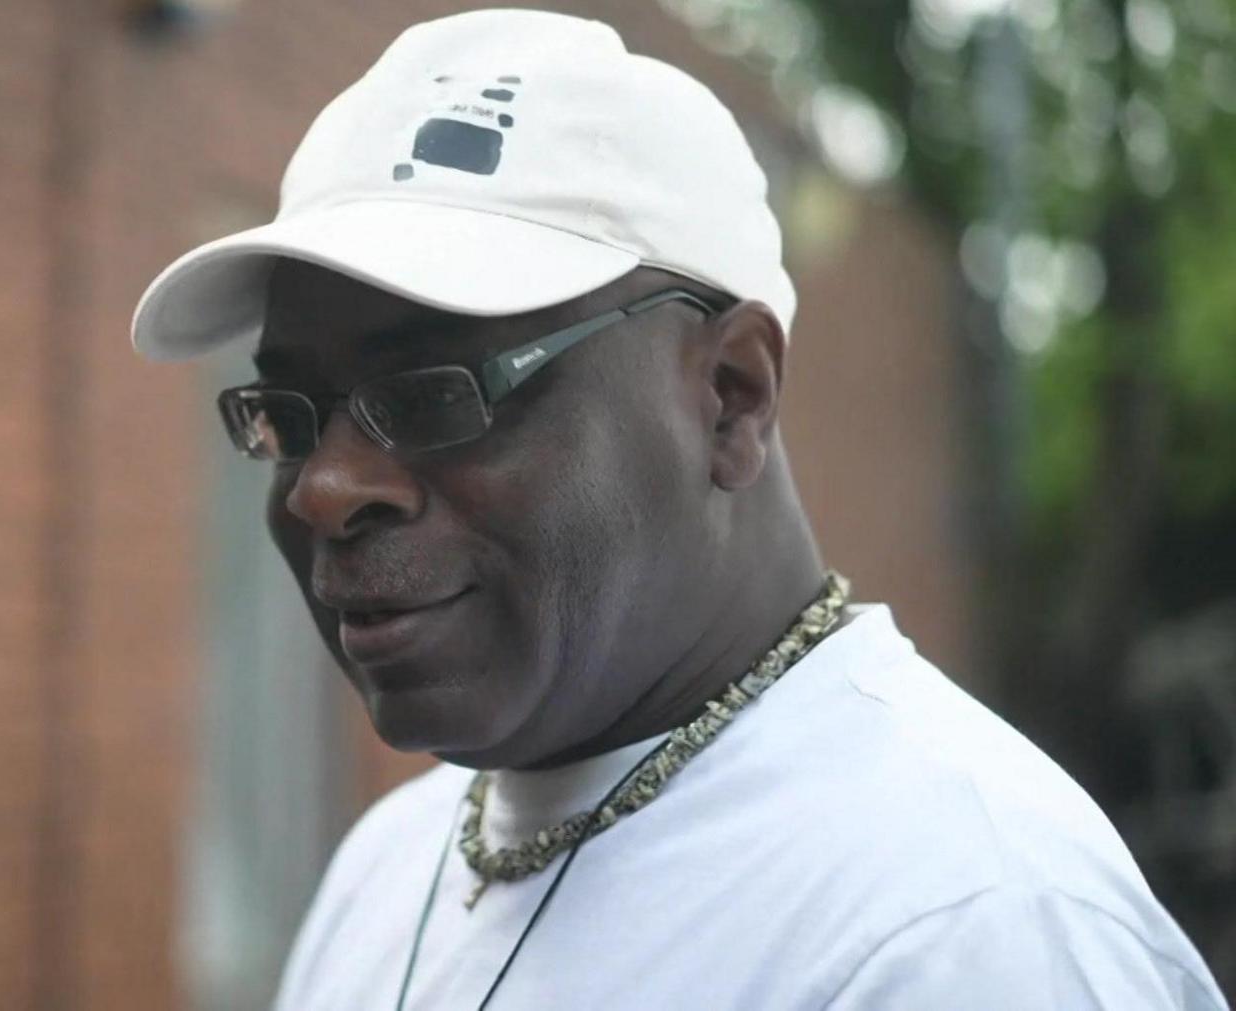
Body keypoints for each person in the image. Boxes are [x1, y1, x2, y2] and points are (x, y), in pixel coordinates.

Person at [130, 9, 1227, 1008]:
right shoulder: (385, 869)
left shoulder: (962, 930)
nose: (322, 487)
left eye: (433, 394)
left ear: (731, 397)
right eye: (291, 410)